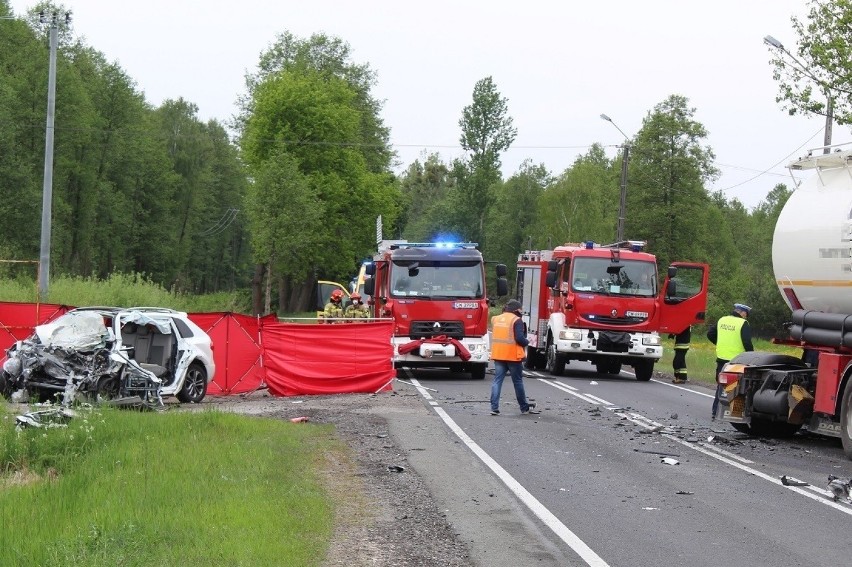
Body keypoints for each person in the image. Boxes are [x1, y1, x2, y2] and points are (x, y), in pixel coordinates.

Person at [489, 300, 540, 416]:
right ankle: (524, 407)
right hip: (512, 356)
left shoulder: (495, 319)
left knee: (497, 381)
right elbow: (519, 339)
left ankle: (494, 407)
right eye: (520, 310)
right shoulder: (516, 320)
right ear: (516, 310)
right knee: (517, 382)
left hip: (498, 355)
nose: (521, 312)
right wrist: (528, 342)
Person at [707, 303, 754, 419]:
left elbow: (710, 334)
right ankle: (735, 413)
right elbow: (747, 342)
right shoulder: (743, 323)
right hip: (737, 360)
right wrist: (751, 355)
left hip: (722, 360)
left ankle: (715, 411)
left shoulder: (722, 320)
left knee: (721, 385)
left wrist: (719, 343)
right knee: (737, 387)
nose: (745, 317)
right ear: (742, 313)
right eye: (746, 315)